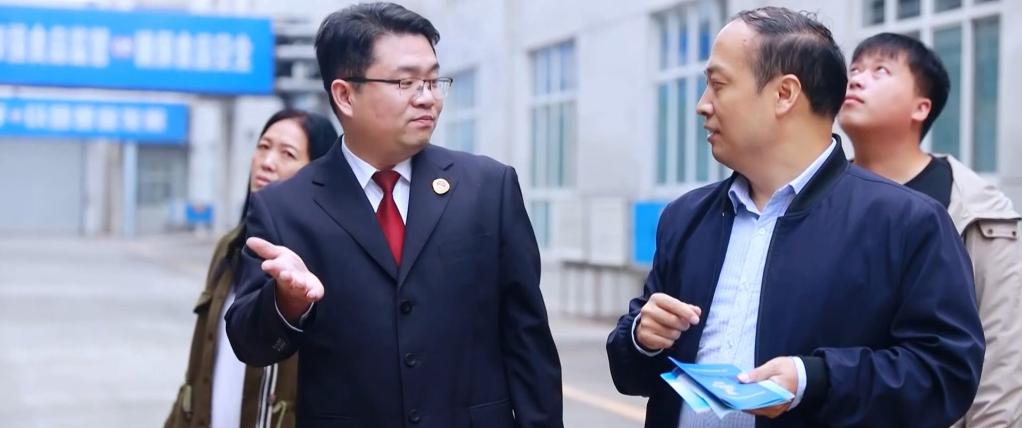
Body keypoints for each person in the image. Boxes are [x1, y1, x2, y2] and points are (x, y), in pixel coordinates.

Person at [606, 7, 984, 428]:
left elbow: (945, 375)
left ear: (784, 94)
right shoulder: (686, 218)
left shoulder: (907, 222)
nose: (702, 105)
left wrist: (813, 380)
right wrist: (641, 339)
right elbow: (629, 372)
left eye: (718, 84)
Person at [224, 3, 563, 428]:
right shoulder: (284, 207)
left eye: (433, 80)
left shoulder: (488, 189)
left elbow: (528, 343)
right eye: (406, 82)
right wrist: (286, 303)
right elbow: (249, 344)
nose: (427, 98)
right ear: (345, 95)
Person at [839, 32, 1022, 428]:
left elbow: (1000, 351)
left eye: (880, 70)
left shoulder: (977, 213)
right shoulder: (818, 195)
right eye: (854, 69)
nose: (856, 79)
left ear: (921, 107)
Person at [166, 109, 338, 428]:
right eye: (263, 146)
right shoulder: (229, 247)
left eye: (287, 154)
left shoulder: (325, 259)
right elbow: (198, 372)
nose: (267, 162)